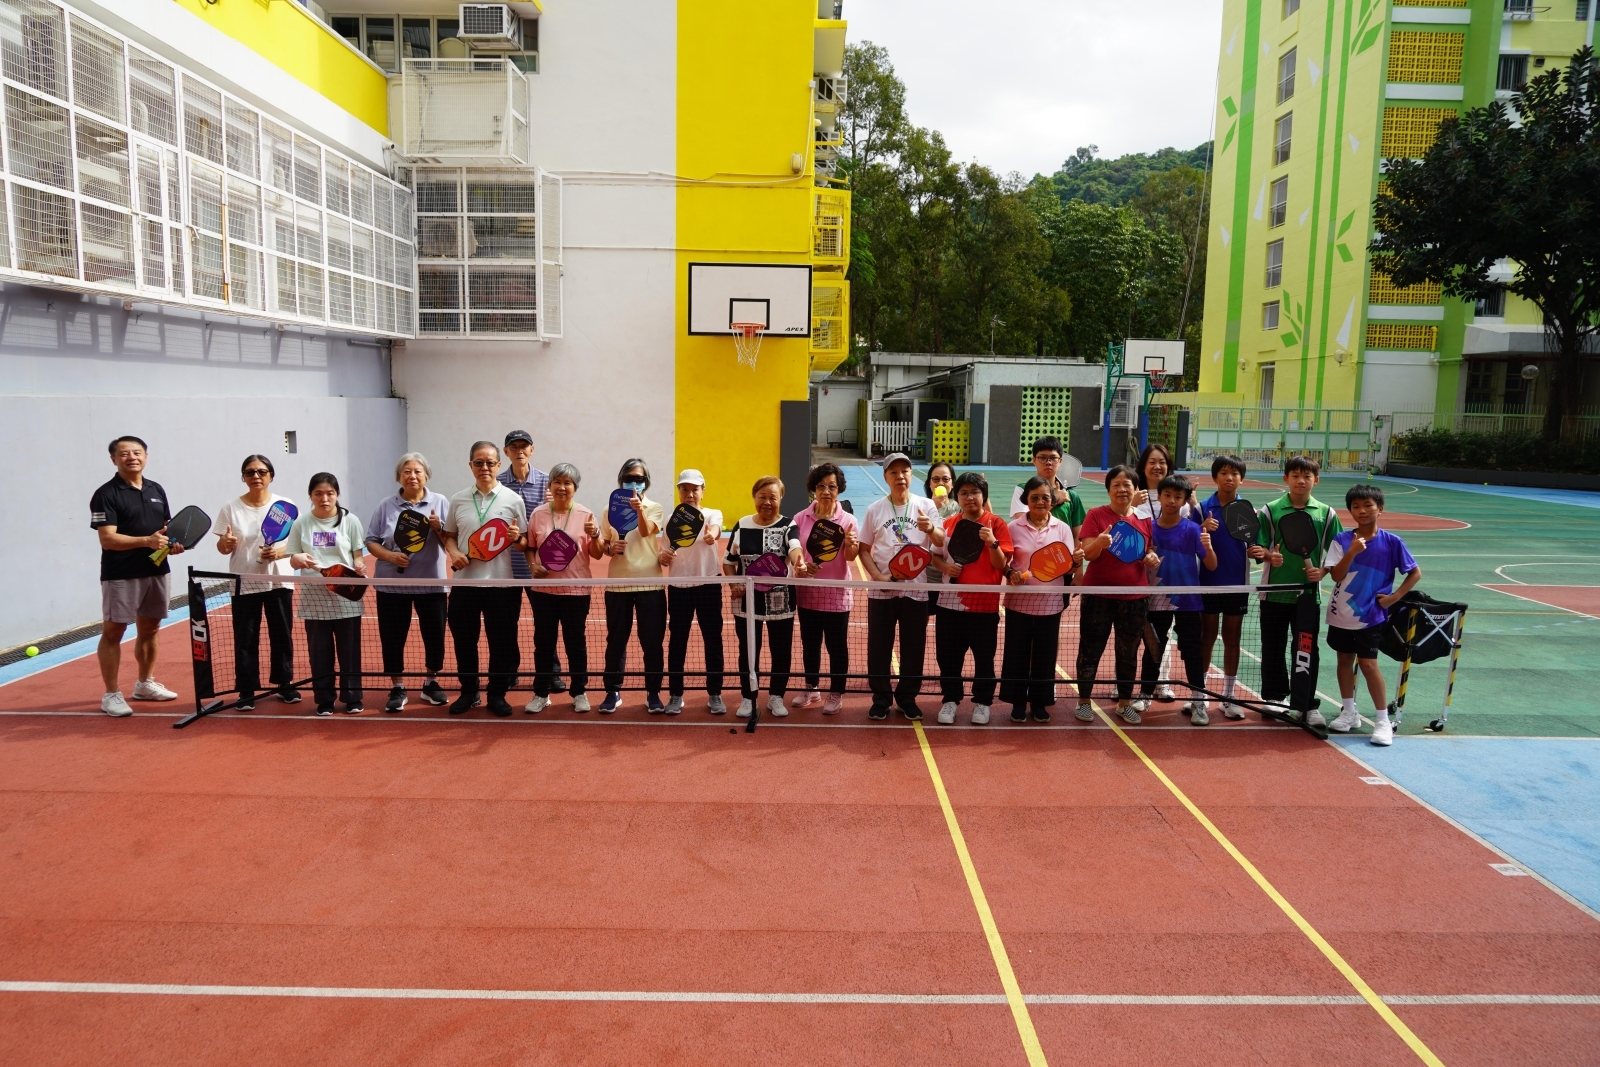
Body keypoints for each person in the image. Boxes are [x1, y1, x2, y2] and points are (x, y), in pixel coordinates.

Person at [91, 436, 182, 716]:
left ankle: (144, 684)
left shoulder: (156, 489)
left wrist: (173, 544)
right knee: (113, 632)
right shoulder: (106, 494)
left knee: (151, 629)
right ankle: (111, 695)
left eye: (137, 452)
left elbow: (165, 529)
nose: (132, 457)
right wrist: (147, 541)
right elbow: (108, 539)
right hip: (121, 574)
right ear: (113, 459)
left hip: (156, 570)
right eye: (124, 453)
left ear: (146, 456)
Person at [1325, 484, 1422, 747]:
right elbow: (1336, 575)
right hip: (1340, 613)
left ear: (1380, 509)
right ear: (1350, 511)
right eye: (1356, 506)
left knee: (1368, 665)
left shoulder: (1392, 542)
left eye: (1368, 505)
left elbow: (1414, 573)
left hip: (1371, 616)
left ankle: (1382, 721)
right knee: (1344, 660)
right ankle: (1349, 712)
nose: (1362, 510)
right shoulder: (1342, 540)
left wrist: (1394, 598)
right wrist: (1352, 552)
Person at [1252, 455, 1342, 725]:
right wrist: (1269, 556)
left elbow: (1338, 550)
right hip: (1274, 593)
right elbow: (1257, 547)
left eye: (1306, 476)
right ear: (1286, 479)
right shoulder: (1271, 510)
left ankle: (1306, 703)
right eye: (1295, 476)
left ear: (1316, 480)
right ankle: (1275, 698)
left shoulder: (1326, 513)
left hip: (1308, 595)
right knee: (1273, 647)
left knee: (1306, 649)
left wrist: (1323, 571)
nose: (1301, 481)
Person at [440, 441, 527, 717]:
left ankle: (497, 694)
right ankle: (469, 692)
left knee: (501, 643)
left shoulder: (513, 500)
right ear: (471, 466)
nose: (485, 467)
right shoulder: (458, 499)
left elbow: (524, 543)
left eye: (490, 462)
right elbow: (449, 536)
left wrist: (517, 539)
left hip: (501, 586)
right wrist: (454, 552)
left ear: (499, 465)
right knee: (464, 642)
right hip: (464, 585)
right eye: (479, 462)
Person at [857, 452, 946, 721]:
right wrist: (877, 577)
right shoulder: (874, 510)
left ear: (911, 475)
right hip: (882, 591)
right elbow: (863, 549)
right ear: (885, 477)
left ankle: (907, 699)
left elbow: (940, 541)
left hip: (916, 590)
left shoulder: (926, 505)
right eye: (893, 472)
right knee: (879, 647)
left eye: (905, 471)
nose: (900, 476)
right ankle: (881, 699)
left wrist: (930, 529)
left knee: (913, 648)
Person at [271, 473, 366, 715]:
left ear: (337, 494)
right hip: (314, 599)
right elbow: (292, 558)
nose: (324, 498)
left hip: (346, 596)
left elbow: (357, 555)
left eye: (330, 493)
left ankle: (352, 697)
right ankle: (324, 699)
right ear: (311, 496)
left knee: (350, 652)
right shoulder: (301, 523)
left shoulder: (351, 521)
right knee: (319, 653)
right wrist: (298, 558)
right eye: (318, 494)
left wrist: (359, 566)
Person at [364, 453, 451, 712]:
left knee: (434, 636)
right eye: (407, 471)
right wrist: (390, 556)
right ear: (399, 476)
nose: (412, 476)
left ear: (426, 475)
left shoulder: (440, 502)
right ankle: (397, 686)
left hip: (431, 583)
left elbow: (451, 542)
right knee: (392, 637)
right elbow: (371, 540)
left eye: (417, 471)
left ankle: (431, 683)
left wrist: (438, 528)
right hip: (391, 584)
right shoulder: (386, 505)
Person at [1075, 464, 1160, 724]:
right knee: (1090, 649)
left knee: (1128, 653)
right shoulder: (1096, 515)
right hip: (1098, 596)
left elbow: (1148, 550)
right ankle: (1084, 702)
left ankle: (1124, 703)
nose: (1122, 489)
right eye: (1116, 485)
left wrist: (1152, 557)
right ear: (1108, 489)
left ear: (1135, 489)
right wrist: (1099, 543)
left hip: (1135, 598)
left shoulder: (1145, 520)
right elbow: (1088, 553)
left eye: (1127, 485)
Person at [213, 454, 297, 710]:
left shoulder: (285, 506)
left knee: (281, 634)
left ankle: (284, 683)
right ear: (243, 477)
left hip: (279, 581)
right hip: (244, 581)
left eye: (261, 472)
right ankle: (246, 689)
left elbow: (297, 543)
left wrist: (278, 552)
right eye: (249, 472)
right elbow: (222, 548)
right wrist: (225, 543)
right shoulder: (230, 508)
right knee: (246, 638)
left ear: (271, 476)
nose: (256, 476)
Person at [930, 472, 1013, 725]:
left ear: (983, 495)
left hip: (984, 606)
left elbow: (1001, 565)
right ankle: (950, 700)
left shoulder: (996, 524)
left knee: (984, 658)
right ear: (957, 497)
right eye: (964, 493)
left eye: (975, 492)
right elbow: (935, 556)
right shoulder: (948, 524)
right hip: (949, 603)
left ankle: (982, 703)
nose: (969, 497)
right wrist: (946, 568)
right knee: (948, 657)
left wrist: (992, 543)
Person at [1002, 476, 1082, 724]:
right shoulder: (1012, 527)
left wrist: (1075, 563)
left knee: (1045, 656)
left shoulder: (1062, 528)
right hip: (1019, 602)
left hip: (1050, 603)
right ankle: (1017, 702)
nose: (1040, 502)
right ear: (1026, 500)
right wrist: (1010, 573)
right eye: (1034, 497)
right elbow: (1004, 563)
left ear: (1052, 501)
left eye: (1045, 497)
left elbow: (1066, 566)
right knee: (1017, 653)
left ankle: (1039, 703)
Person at [724, 476, 803, 719]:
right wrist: (734, 583)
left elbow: (794, 547)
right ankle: (748, 697)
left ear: (781, 499)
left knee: (781, 650)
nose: (767, 502)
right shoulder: (742, 524)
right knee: (749, 651)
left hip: (781, 600)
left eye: (773, 497)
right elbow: (729, 562)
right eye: (762, 497)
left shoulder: (788, 525)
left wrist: (799, 561)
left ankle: (776, 696)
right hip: (747, 599)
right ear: (754, 497)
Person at [525, 463, 602, 713]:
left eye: (567, 483)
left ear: (575, 488)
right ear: (550, 486)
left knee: (575, 644)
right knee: (543, 644)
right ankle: (541, 693)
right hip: (544, 592)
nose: (562, 487)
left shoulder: (587, 515)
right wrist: (532, 566)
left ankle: (579, 692)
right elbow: (530, 547)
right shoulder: (538, 514)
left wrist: (596, 534)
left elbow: (597, 554)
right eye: (557, 482)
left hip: (576, 591)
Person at [1146, 474, 1218, 724]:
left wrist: (1208, 546)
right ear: (1159, 496)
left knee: (1192, 651)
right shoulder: (1149, 528)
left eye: (1178, 497)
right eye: (1167, 495)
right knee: (1153, 648)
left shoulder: (1193, 529)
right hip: (1157, 598)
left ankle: (1198, 701)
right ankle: (1144, 694)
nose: (1171, 500)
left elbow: (1211, 565)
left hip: (1188, 600)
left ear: (1185, 501)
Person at [498, 429, 566, 693]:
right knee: (506, 623)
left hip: (539, 567)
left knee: (545, 625)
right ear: (506, 452)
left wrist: (553, 503)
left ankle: (551, 673)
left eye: (524, 446)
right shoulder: (498, 483)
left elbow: (560, 518)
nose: (519, 451)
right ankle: (509, 671)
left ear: (532, 450)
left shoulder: (549, 482)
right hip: (506, 567)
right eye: (514, 447)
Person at [598, 459, 667, 713]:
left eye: (639, 479)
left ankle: (653, 693)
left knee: (652, 641)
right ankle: (612, 691)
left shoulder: (655, 507)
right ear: (621, 480)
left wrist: (639, 509)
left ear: (646, 482)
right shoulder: (609, 509)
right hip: (618, 584)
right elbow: (604, 545)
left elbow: (647, 531)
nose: (634, 482)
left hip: (650, 584)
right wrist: (610, 548)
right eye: (629, 478)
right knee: (616, 640)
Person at [656, 470, 726, 716]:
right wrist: (663, 557)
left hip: (709, 584)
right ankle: (675, 694)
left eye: (695, 489)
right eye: (684, 489)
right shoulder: (671, 519)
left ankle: (715, 693)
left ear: (702, 491)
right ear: (679, 492)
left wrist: (712, 535)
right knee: (677, 641)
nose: (689, 494)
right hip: (679, 587)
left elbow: (715, 529)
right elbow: (664, 553)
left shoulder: (712, 513)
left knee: (713, 640)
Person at [793, 463, 860, 713]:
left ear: (839, 489)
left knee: (836, 647)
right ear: (814, 489)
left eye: (832, 486)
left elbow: (851, 557)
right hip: (808, 593)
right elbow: (795, 552)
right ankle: (811, 688)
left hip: (836, 595)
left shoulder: (848, 520)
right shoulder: (800, 518)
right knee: (810, 644)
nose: (826, 491)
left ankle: (836, 692)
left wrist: (850, 544)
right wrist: (802, 565)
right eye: (821, 486)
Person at [1131, 442, 1195, 704]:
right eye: (1152, 462)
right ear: (1143, 466)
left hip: (1172, 581)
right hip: (1139, 577)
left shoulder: (1182, 501)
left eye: (1162, 462)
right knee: (1136, 634)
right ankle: (1123, 683)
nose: (1157, 466)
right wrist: (1132, 504)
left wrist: (1193, 502)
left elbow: (1192, 532)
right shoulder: (1135, 496)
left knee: (1162, 636)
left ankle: (1162, 684)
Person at [1195, 455, 1252, 721]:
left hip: (1236, 585)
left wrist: (1259, 551)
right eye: (1224, 473)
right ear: (1215, 477)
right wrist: (1201, 528)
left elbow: (1255, 544)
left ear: (1241, 479)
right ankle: (1199, 695)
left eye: (1235, 473)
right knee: (1206, 638)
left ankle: (1228, 696)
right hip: (1207, 583)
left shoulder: (1247, 509)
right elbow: (1189, 540)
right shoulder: (1203, 508)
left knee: (1233, 639)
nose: (1229, 478)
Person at [1008, 436, 1087, 541]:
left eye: (1053, 458)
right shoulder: (1022, 489)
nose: (1048, 462)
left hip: (1061, 550)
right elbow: (1023, 522)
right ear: (1034, 460)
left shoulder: (1071, 495)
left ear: (1060, 461)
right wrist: (1055, 500)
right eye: (1042, 457)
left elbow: (1078, 536)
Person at [923, 461, 958, 607]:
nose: (940, 483)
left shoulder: (961, 508)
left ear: (953, 483)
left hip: (952, 577)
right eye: (936, 479)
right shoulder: (921, 506)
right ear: (929, 484)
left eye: (945, 479)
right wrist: (932, 507)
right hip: (925, 578)